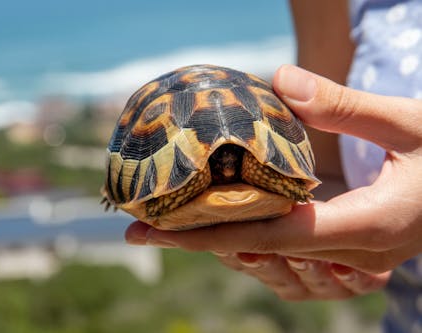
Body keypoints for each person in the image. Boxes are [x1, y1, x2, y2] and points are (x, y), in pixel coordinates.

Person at [126, 0, 422, 331]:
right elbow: (324, 173)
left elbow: (299, 183)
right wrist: (327, 225)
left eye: (233, 157)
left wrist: (292, 185)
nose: (226, 163)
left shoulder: (256, 168)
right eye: (219, 159)